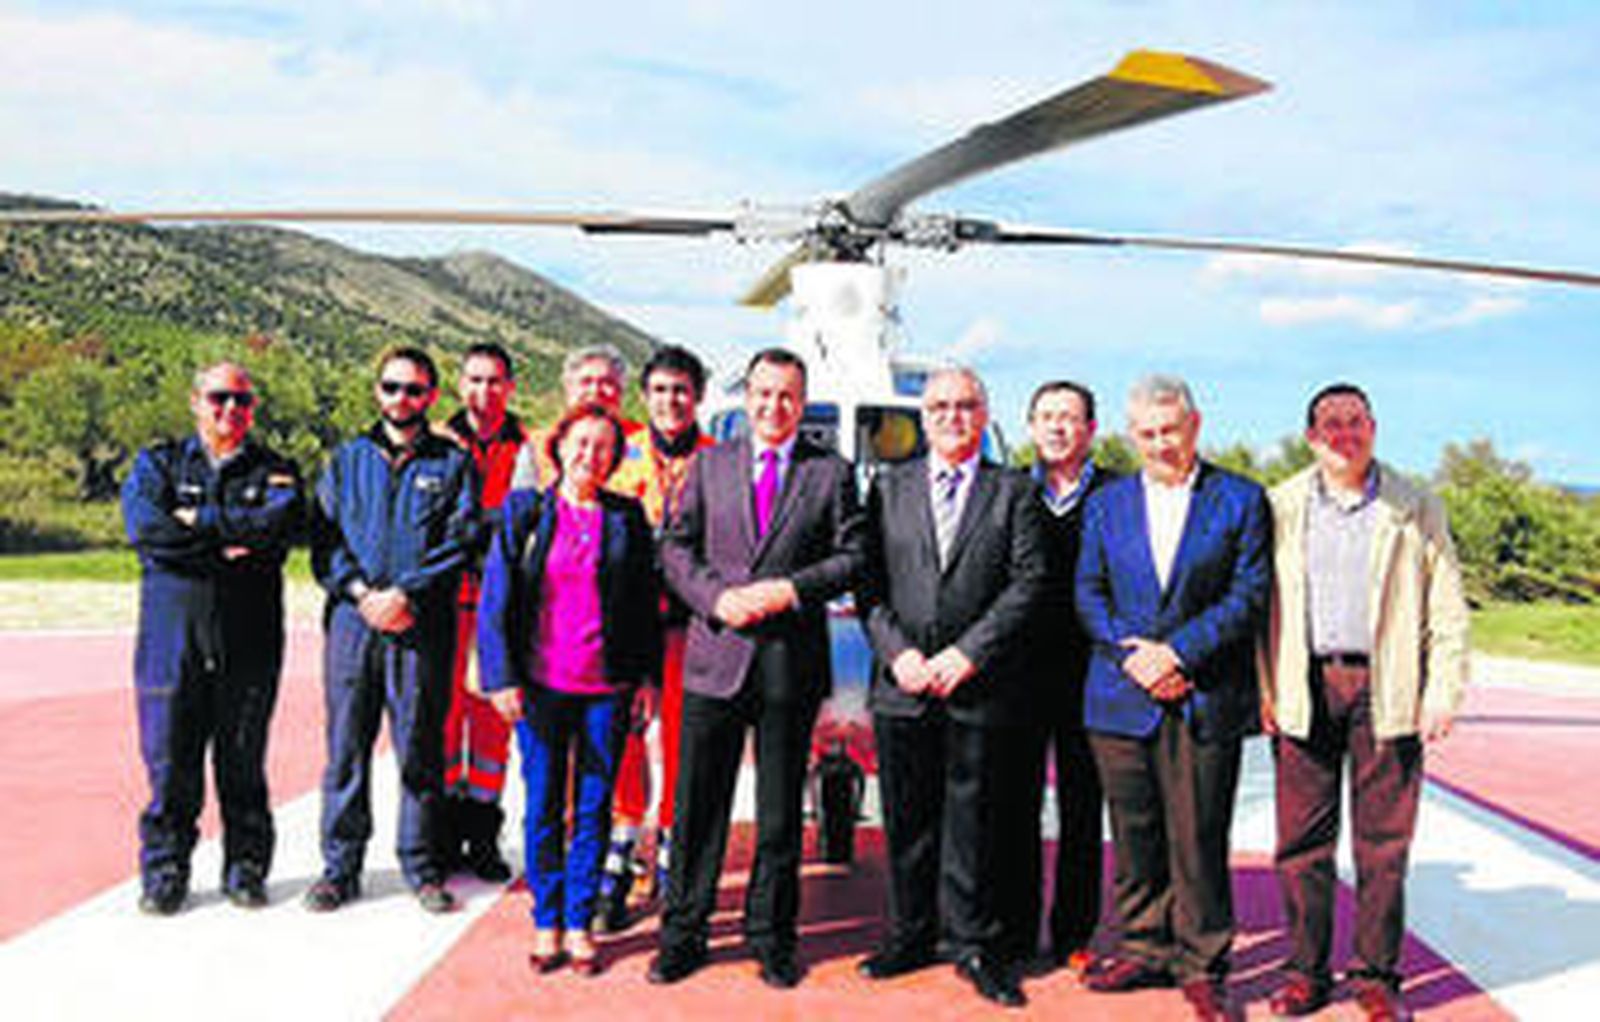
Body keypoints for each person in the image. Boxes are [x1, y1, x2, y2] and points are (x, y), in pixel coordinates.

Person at [648, 348, 863, 990]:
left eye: (787, 396)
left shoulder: (830, 473)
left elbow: (854, 555)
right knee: (696, 807)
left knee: (777, 817)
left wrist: (791, 590)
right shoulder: (710, 465)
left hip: (787, 665)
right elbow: (675, 548)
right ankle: (682, 934)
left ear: (803, 401)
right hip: (716, 656)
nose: (774, 407)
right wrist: (717, 598)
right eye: (763, 394)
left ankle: (772, 938)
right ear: (747, 397)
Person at [1260, 383, 1469, 1021]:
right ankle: (1305, 972)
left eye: (1356, 421)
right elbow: (1259, 607)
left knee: (1383, 845)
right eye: (1331, 423)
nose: (1344, 433)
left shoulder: (1415, 504)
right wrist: (1267, 691)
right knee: (1301, 844)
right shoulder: (1281, 505)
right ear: (1311, 436)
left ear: (1373, 427)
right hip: (1305, 684)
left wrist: (1443, 691)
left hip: (1388, 687)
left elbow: (1447, 604)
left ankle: (1377, 978)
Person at [1075, 374, 1271, 1021]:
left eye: (1171, 430)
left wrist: (1177, 653)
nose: (1160, 443)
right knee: (1133, 832)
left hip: (1201, 692)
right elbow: (1088, 592)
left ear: (1195, 425)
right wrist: (1135, 658)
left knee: (1199, 836)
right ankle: (1144, 946)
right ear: (1131, 435)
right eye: (1148, 433)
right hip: (1120, 695)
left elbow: (1246, 596)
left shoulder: (1240, 499)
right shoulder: (1106, 504)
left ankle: (1203, 964)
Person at [857, 366, 1047, 1009]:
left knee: (976, 823)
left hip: (980, 685)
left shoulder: (1014, 490)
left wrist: (968, 654)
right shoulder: (889, 487)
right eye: (939, 406)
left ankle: (975, 945)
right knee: (906, 820)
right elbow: (870, 586)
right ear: (923, 415)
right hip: (903, 683)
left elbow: (1028, 583)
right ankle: (910, 934)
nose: (952, 416)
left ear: (984, 412)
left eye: (966, 405)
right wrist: (899, 654)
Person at [478, 402, 662, 976]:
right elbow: (496, 599)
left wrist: (647, 679)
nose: (591, 455)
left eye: (604, 446)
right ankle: (547, 918)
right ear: (558, 448)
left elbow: (643, 608)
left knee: (593, 806)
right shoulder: (525, 511)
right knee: (541, 807)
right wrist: (500, 676)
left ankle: (580, 921)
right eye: (581, 443)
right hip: (540, 688)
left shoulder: (627, 517)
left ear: (615, 457)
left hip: (606, 687)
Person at [121, 361, 303, 914]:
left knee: (242, 761)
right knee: (170, 760)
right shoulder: (159, 463)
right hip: (171, 639)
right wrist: (224, 542)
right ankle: (165, 870)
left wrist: (196, 519)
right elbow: (147, 530)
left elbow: (278, 528)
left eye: (243, 401)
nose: (231, 410)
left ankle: (246, 868)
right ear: (195, 401)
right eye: (220, 398)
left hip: (248, 641)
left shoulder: (275, 469)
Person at [307, 346, 478, 914]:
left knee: (420, 749)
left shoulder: (452, 466)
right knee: (346, 749)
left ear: (431, 396)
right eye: (391, 387)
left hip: (420, 625)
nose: (401, 398)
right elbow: (325, 542)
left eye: (414, 389)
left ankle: (423, 865)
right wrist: (361, 593)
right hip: (354, 625)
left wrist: (407, 593)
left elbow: (460, 542)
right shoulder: (346, 459)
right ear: (377, 391)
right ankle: (340, 868)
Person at [595, 344, 716, 930]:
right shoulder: (620, 454)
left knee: (684, 742)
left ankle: (672, 850)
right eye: (662, 390)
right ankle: (619, 853)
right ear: (646, 396)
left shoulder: (720, 459)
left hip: (691, 626)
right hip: (625, 625)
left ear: (700, 397)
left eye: (683, 390)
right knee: (623, 740)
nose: (672, 401)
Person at [997, 380, 1116, 973]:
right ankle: (1015, 929)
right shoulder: (1008, 491)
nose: (1057, 427)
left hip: (1092, 672)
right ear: (1030, 425)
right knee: (1014, 805)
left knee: (1081, 805)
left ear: (1091, 428)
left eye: (1069, 417)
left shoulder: (1119, 494)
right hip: (1017, 672)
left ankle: (1074, 928)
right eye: (1046, 416)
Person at [437, 343, 527, 883]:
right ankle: (444, 835)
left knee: (493, 727)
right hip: (446, 604)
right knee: (443, 723)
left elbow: (527, 516)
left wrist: (483, 525)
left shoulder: (527, 447)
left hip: (502, 606)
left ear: (510, 388)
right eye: (474, 380)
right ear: (459, 384)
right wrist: (484, 526)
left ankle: (484, 836)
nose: (484, 391)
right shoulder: (438, 444)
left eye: (495, 381)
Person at [509, 344, 647, 491]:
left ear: (621, 391)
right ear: (568, 387)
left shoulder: (646, 444)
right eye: (586, 382)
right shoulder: (537, 445)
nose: (595, 391)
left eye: (607, 382)